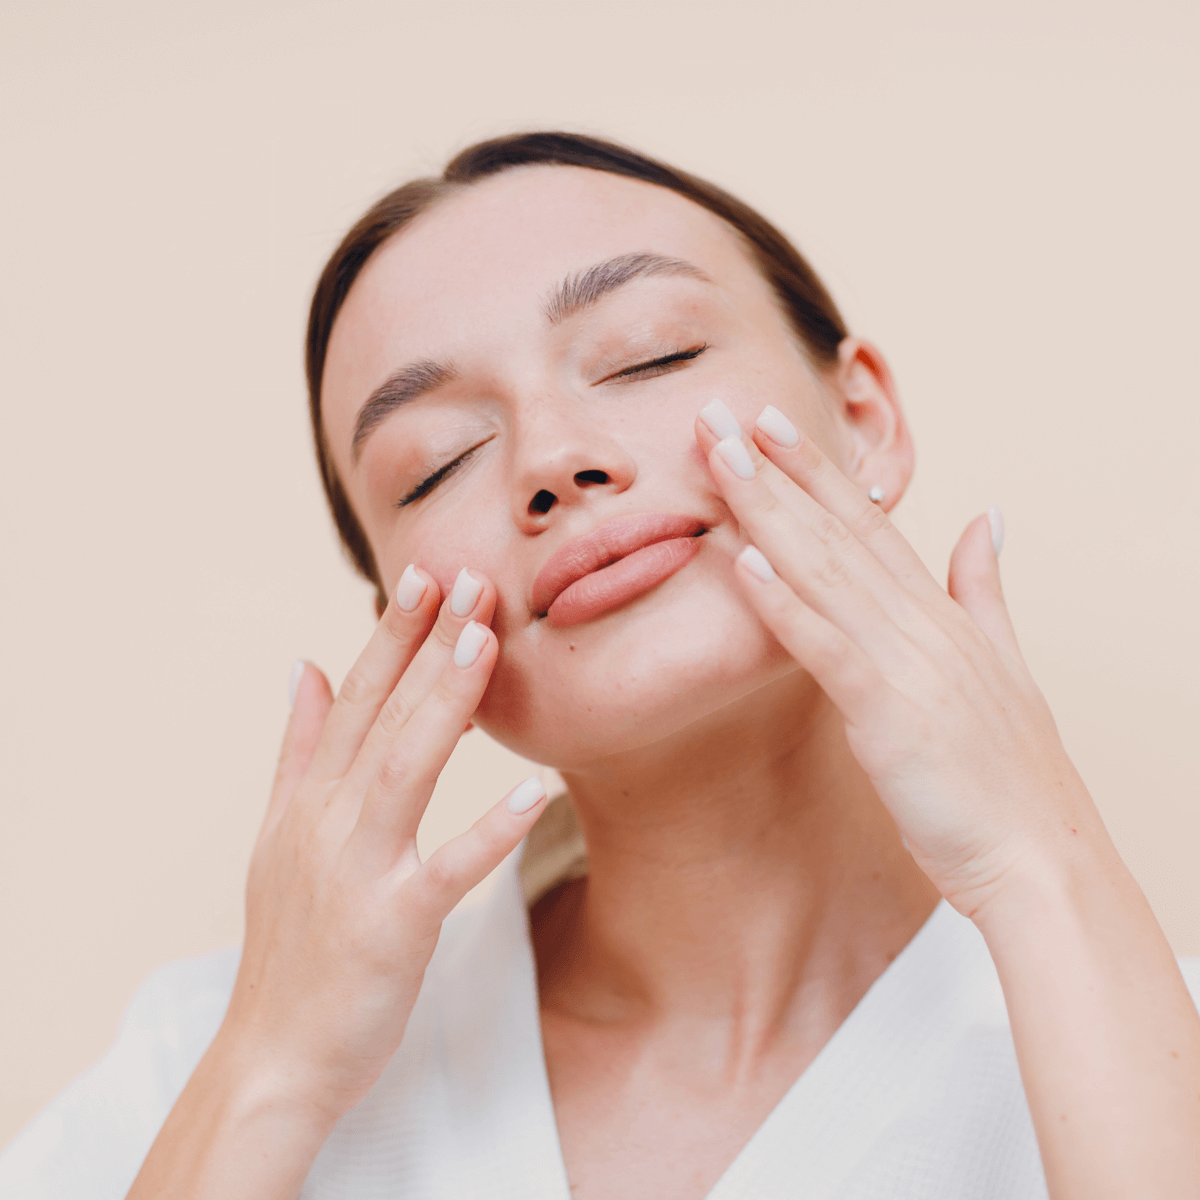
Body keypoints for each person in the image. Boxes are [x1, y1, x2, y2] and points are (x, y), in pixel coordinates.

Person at [2, 131, 1198, 1200]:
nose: (553, 458)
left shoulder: (1149, 1023)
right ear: (400, 622)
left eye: (646, 356)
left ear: (866, 420)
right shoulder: (201, 1064)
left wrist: (1044, 864)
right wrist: (268, 1074)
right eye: (436, 462)